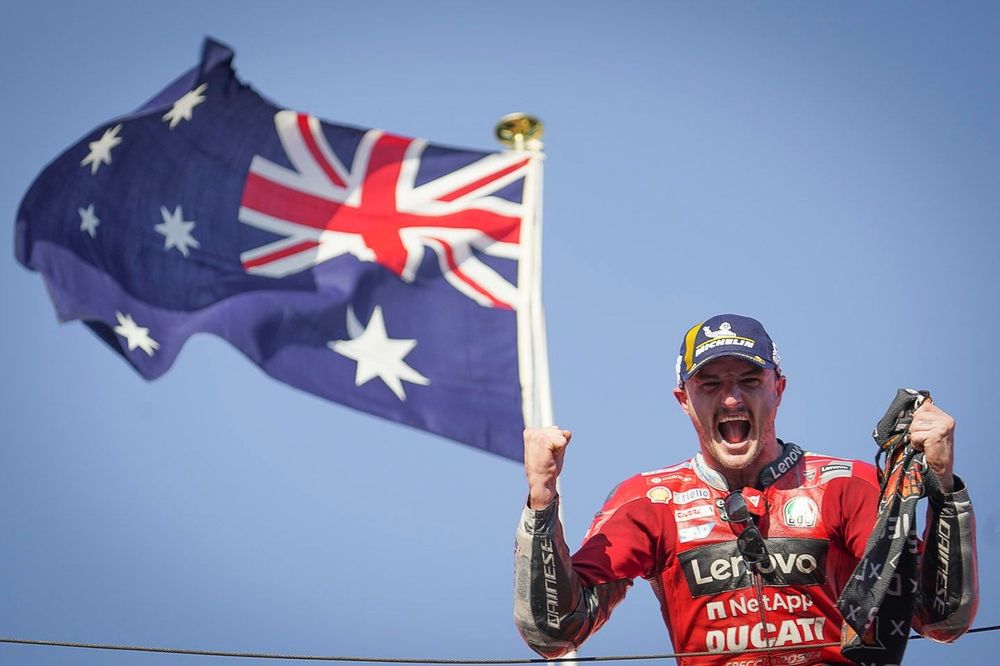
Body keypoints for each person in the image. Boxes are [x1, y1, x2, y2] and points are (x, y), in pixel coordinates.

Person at [513, 314, 978, 665]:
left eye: (750, 381)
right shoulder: (648, 501)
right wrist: (541, 499)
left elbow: (942, 618)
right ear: (684, 401)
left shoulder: (846, 485)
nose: (731, 398)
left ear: (778, 389)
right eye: (710, 384)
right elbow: (554, 633)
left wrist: (942, 485)